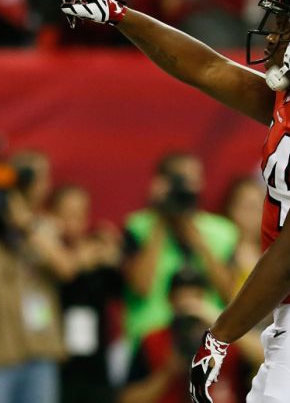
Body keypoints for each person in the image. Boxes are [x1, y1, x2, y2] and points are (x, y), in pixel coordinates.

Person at [47, 0, 290, 402]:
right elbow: (208, 69)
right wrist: (121, 14)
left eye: (289, 23)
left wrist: (220, 334)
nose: (273, 33)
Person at [0, 150, 76, 403]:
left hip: (38, 351)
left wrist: (24, 224)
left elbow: (66, 269)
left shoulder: (41, 226)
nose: (40, 185)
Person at [121, 152, 238, 351]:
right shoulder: (139, 227)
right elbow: (140, 287)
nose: (187, 187)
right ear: (161, 183)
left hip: (206, 338)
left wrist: (199, 241)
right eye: (180, 179)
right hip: (149, 343)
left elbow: (229, 295)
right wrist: (161, 219)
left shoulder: (223, 232)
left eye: (193, 179)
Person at [119, 268, 263, 403]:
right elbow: (126, 399)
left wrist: (215, 319)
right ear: (170, 301)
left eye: (195, 300)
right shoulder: (154, 341)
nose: (188, 309)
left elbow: (263, 357)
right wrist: (166, 373)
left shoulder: (225, 339)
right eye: (181, 301)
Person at [51, 184, 124, 403]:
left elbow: (120, 290)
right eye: (68, 214)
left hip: (95, 362)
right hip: (57, 362)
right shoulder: (46, 257)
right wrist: (81, 259)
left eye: (81, 214)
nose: (75, 222)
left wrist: (114, 252)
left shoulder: (99, 254)